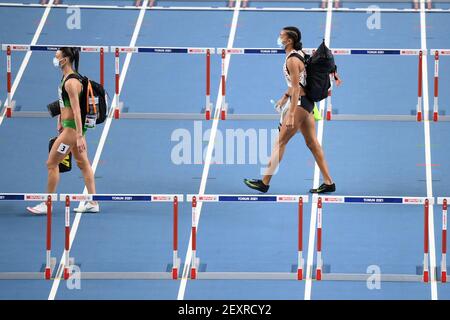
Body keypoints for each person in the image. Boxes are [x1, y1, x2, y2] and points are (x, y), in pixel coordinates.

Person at [244, 26, 336, 194]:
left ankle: (264, 182)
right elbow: (299, 83)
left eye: (281, 36)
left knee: (280, 142)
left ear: (289, 40)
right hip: (306, 102)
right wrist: (284, 97)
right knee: (312, 143)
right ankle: (329, 183)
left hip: (300, 104)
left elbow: (295, 88)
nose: (279, 38)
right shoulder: (298, 55)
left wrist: (291, 113)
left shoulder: (292, 60)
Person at [27, 47, 99, 214]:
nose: (55, 58)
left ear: (65, 59)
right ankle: (93, 203)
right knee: (82, 163)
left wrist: (79, 136)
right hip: (70, 128)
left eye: (57, 56)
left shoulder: (71, 83)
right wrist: (60, 119)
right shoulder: (66, 77)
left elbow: (77, 111)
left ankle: (47, 204)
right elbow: (64, 103)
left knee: (51, 163)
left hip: (73, 131)